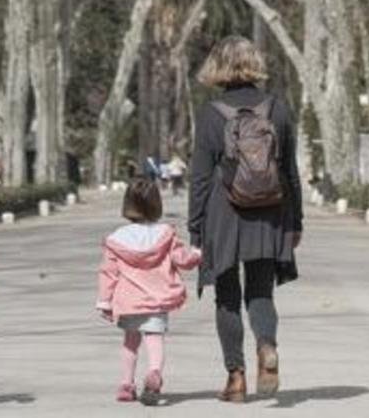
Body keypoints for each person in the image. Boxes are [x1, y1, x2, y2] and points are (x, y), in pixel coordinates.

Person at [188, 36, 303, 403]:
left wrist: (195, 227)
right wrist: (295, 221)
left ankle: (235, 378)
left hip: (224, 214)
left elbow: (201, 176)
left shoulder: (211, 114)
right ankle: (266, 346)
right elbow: (290, 171)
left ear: (217, 66)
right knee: (260, 291)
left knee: (226, 296)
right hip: (270, 212)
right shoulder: (277, 109)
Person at [96, 180, 203, 406]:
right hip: (157, 300)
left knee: (130, 342)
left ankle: (126, 384)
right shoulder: (165, 234)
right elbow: (182, 260)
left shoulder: (117, 239)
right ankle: (154, 372)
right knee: (154, 339)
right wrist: (196, 253)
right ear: (156, 204)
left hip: (128, 301)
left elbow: (109, 273)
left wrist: (105, 301)